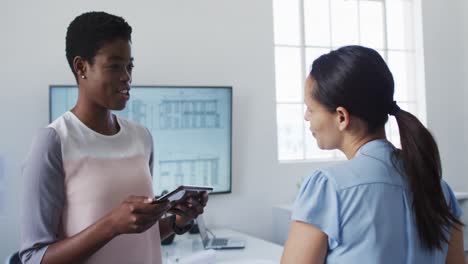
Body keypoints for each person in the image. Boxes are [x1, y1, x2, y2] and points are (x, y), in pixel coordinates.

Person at [19, 11, 208, 264]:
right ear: (81, 67)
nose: (127, 77)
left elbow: (140, 236)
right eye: (115, 66)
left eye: (129, 66)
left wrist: (179, 221)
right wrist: (110, 225)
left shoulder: (141, 137)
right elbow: (34, 257)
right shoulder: (54, 142)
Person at [281, 45, 465, 264]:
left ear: (341, 117)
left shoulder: (329, 188)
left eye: (310, 109)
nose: (306, 117)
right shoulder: (438, 189)